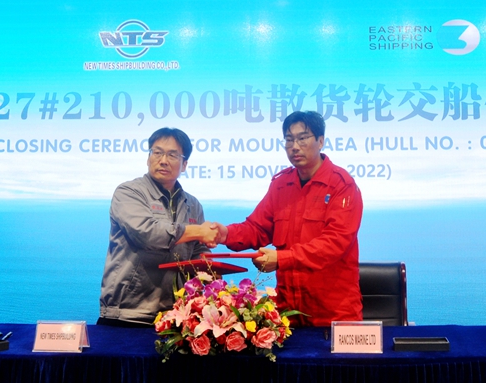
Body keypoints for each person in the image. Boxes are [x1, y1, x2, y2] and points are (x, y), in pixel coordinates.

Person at [215, 111, 363, 326]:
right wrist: (225, 234)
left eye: (302, 138)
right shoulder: (281, 184)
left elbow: (335, 243)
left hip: (333, 313)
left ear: (321, 141)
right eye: (289, 139)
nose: (294, 146)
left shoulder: (341, 185)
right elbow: (258, 228)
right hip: (288, 312)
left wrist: (281, 259)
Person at [98, 127, 219, 327]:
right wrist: (199, 231)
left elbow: (198, 250)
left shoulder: (193, 204)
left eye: (172, 155)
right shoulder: (128, 192)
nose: (163, 160)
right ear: (148, 158)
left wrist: (210, 268)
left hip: (176, 315)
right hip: (128, 314)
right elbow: (148, 233)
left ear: (184, 164)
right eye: (157, 152)